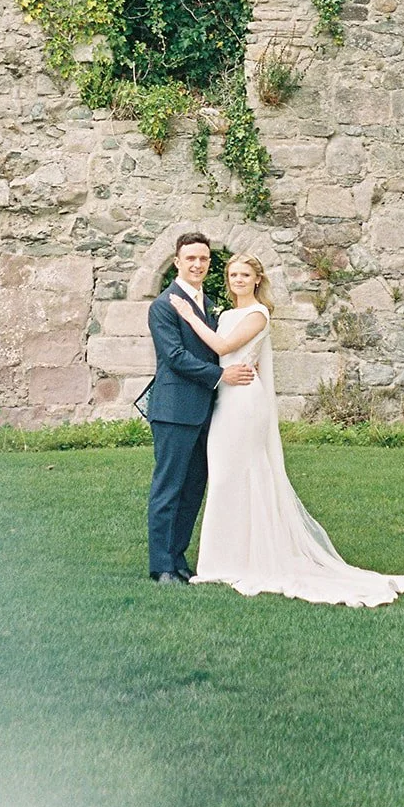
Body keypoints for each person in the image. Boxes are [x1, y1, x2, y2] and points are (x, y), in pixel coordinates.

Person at [169, 251, 404, 607]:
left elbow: (223, 346)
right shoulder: (226, 313)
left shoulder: (258, 313)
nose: (238, 280)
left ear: (257, 280)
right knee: (227, 476)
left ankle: (234, 560)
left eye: (245, 275)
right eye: (233, 275)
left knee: (242, 473)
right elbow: (230, 357)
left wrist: (186, 315)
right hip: (227, 398)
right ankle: (228, 557)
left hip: (244, 403)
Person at [145, 231, 254, 584]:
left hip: (205, 410)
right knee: (168, 488)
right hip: (174, 410)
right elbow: (174, 357)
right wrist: (222, 375)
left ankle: (178, 560)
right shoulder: (164, 305)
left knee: (193, 488)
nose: (197, 264)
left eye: (203, 259)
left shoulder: (206, 302)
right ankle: (161, 566)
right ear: (177, 261)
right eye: (190, 258)